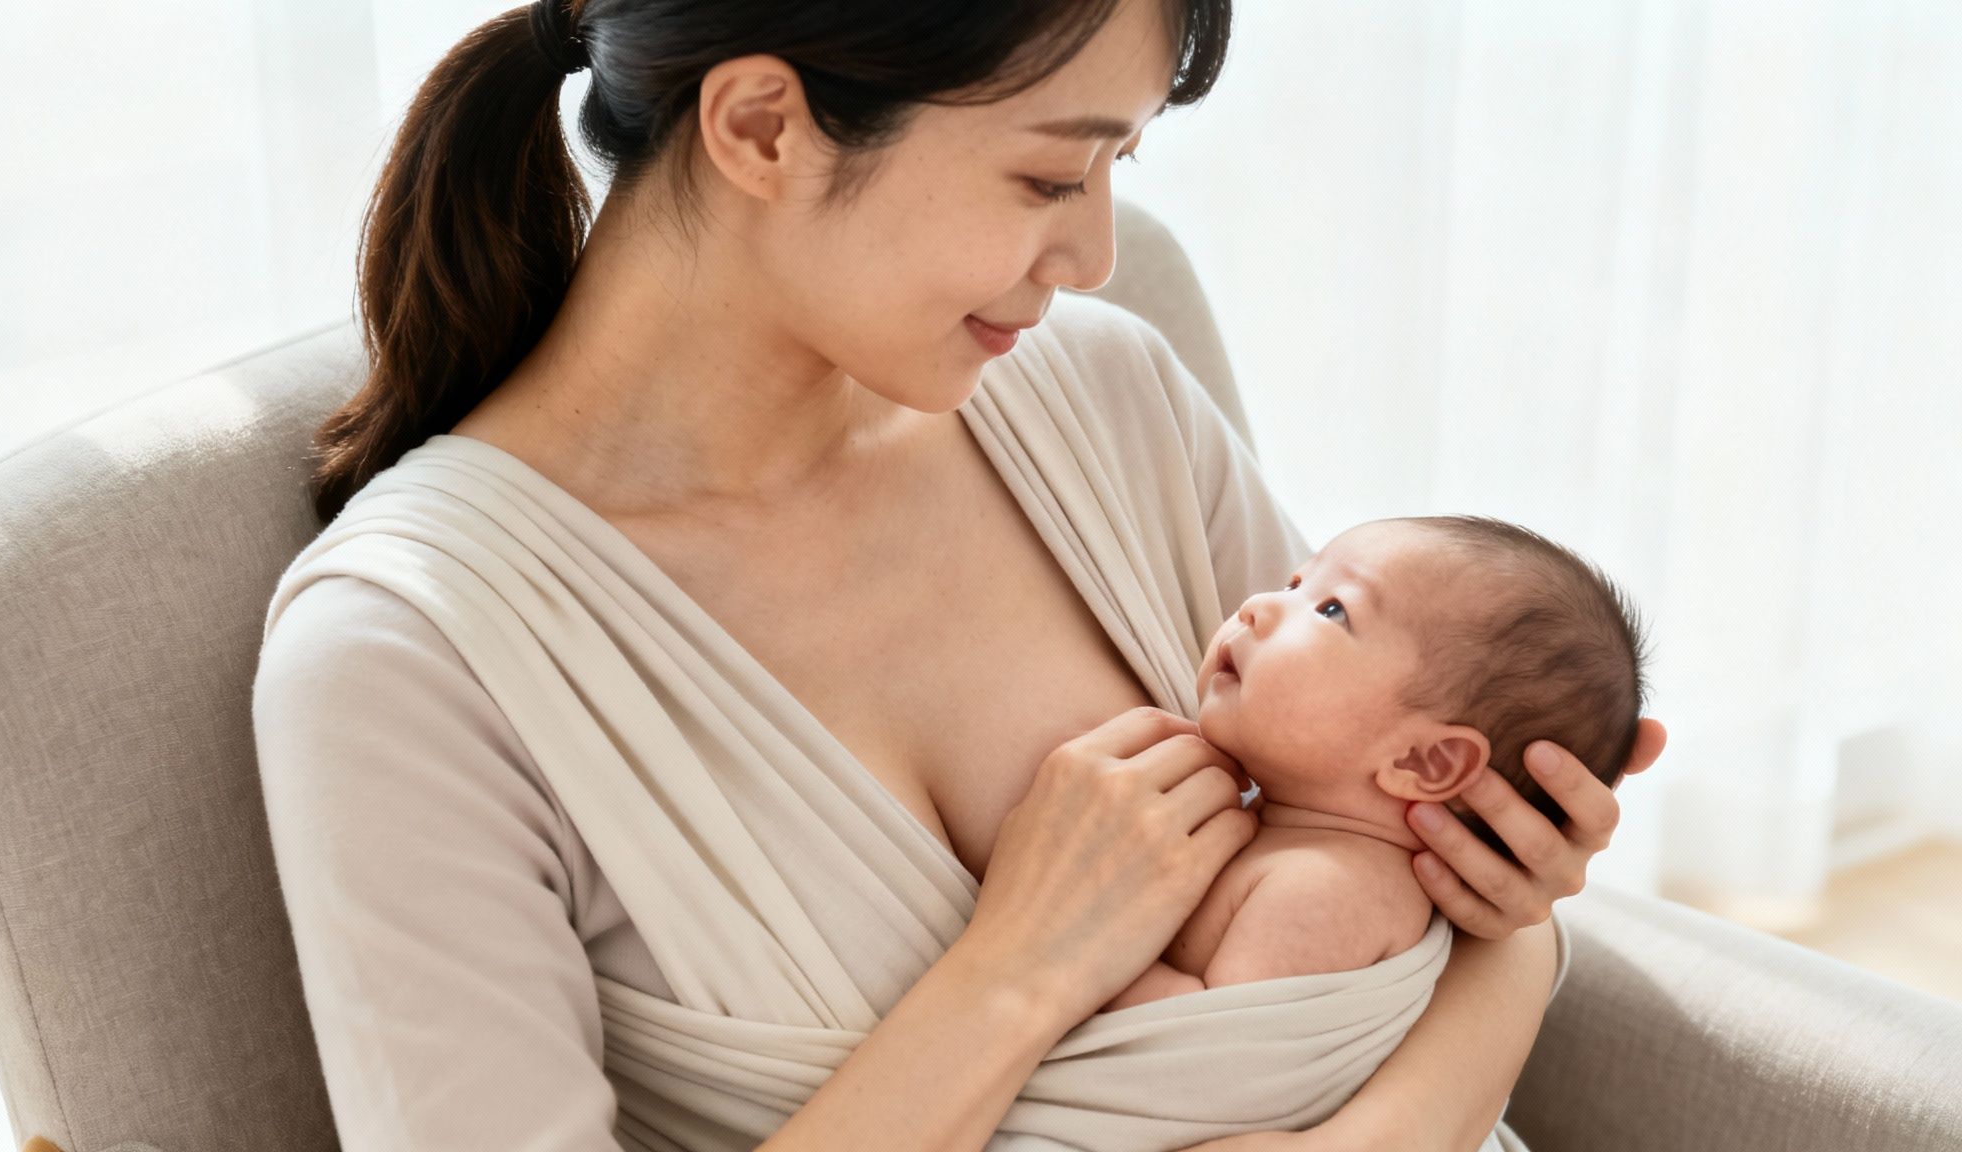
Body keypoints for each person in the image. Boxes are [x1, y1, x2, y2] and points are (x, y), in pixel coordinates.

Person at [250, 2, 1669, 1150]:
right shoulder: (408, 662)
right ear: (761, 125)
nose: (1099, 253)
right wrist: (1019, 973)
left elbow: (1462, 912)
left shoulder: (1106, 402)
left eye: (1120, 166)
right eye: (1051, 173)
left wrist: (1509, 908)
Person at [1105, 514, 1649, 1013]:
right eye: (1295, 584)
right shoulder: (1277, 833)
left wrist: (1100, 945)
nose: (1256, 605)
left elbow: (1212, 1062)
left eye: (1332, 610)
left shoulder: (1327, 889)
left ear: (1425, 760)